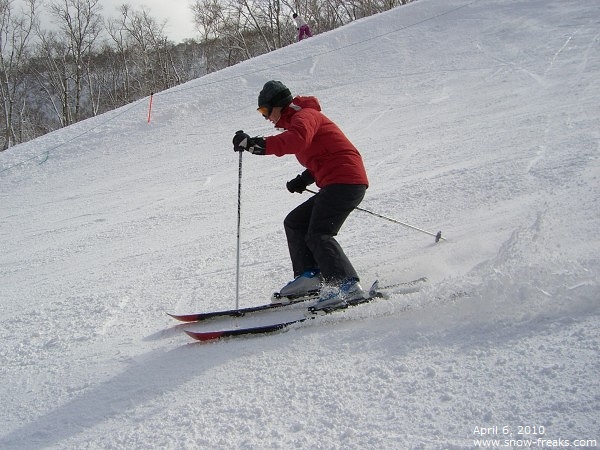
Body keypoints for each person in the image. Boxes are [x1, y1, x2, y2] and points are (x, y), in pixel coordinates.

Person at [232, 80, 369, 310]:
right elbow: (321, 156)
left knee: (319, 234)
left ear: (278, 106)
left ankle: (346, 286)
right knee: (295, 222)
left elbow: (297, 141)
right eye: (261, 112)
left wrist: (257, 145)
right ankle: (311, 276)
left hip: (346, 182)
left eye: (265, 111)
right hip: (337, 181)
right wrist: (303, 179)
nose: (265, 117)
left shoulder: (304, 116)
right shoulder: (298, 121)